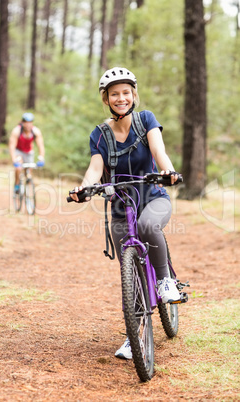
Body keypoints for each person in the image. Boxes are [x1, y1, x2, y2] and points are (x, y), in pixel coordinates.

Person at [69, 67, 181, 360]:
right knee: (129, 275)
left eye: (126, 93)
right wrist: (83, 189)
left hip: (153, 197)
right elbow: (95, 168)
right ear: (106, 99)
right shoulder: (100, 134)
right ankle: (136, 335)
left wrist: (167, 170)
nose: (121, 98)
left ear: (134, 95)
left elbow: (159, 150)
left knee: (147, 226)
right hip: (120, 208)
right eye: (114, 94)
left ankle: (165, 281)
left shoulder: (146, 120)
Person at [9, 112, 45, 193]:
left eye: (30, 123)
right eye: (26, 122)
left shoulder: (36, 131)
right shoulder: (16, 131)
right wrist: (14, 160)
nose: (28, 125)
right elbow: (12, 146)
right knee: (18, 167)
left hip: (29, 152)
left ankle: (28, 190)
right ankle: (17, 185)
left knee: (28, 172)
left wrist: (41, 158)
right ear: (22, 123)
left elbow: (41, 146)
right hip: (18, 151)